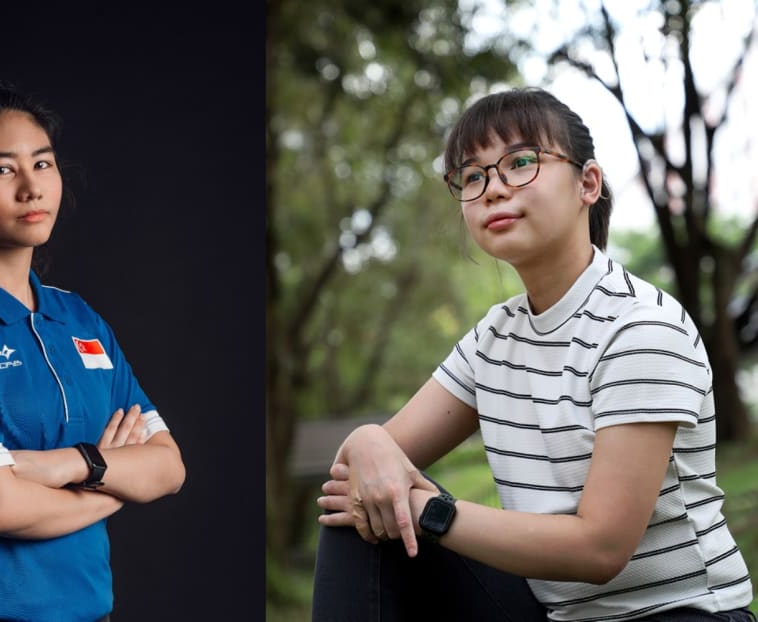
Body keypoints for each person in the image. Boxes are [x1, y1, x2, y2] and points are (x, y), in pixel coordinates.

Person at [312, 87, 754, 621]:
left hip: (673, 614)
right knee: (354, 512)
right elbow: (362, 471)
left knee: (389, 505)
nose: (492, 189)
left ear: (587, 184)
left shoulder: (640, 327)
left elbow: (600, 549)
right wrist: (367, 440)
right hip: (552, 614)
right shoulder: (493, 337)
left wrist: (430, 511)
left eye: (520, 162)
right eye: (472, 176)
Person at [0, 86, 186, 621]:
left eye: (41, 163)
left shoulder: (79, 319)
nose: (31, 188)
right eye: (2, 170)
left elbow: (167, 467)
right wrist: (111, 487)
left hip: (91, 608)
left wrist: (67, 464)